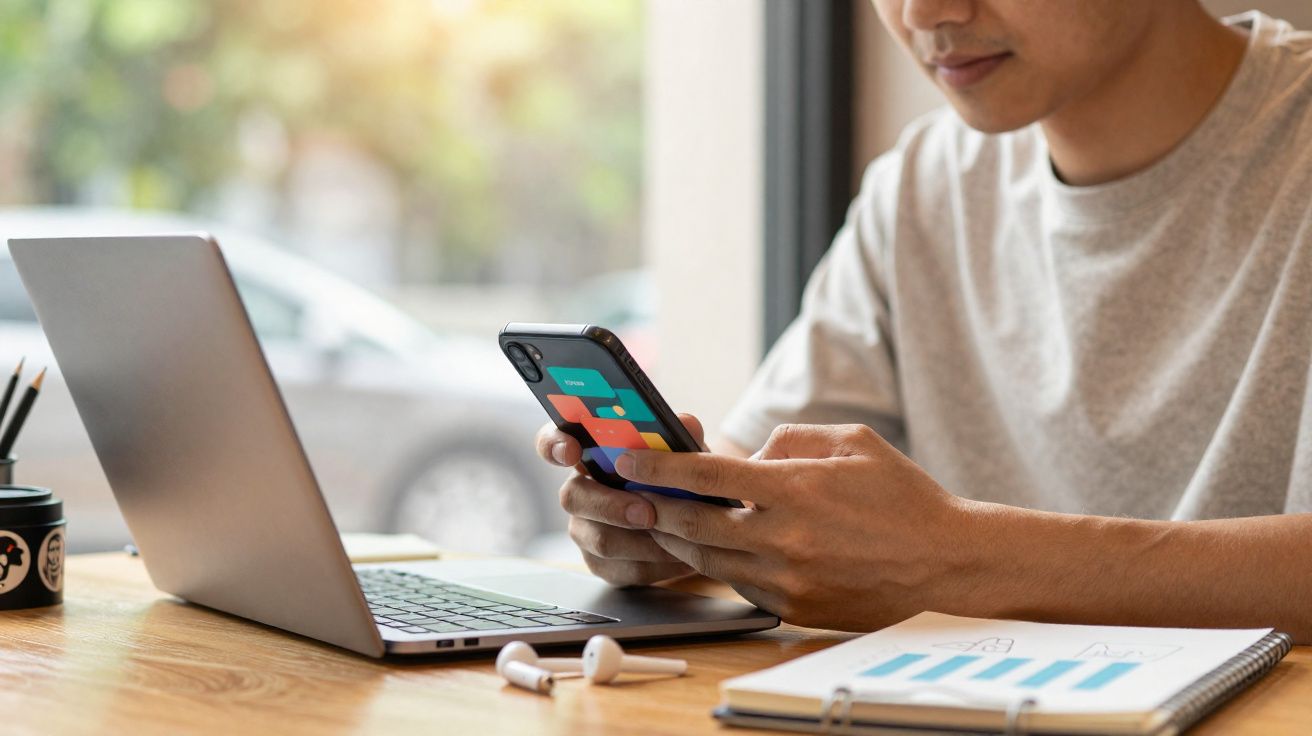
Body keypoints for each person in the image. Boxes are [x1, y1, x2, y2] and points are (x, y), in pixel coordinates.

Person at [537, 1, 1312, 642]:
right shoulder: (924, 186)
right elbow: (761, 465)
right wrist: (671, 519)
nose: (923, 14)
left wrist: (963, 559)